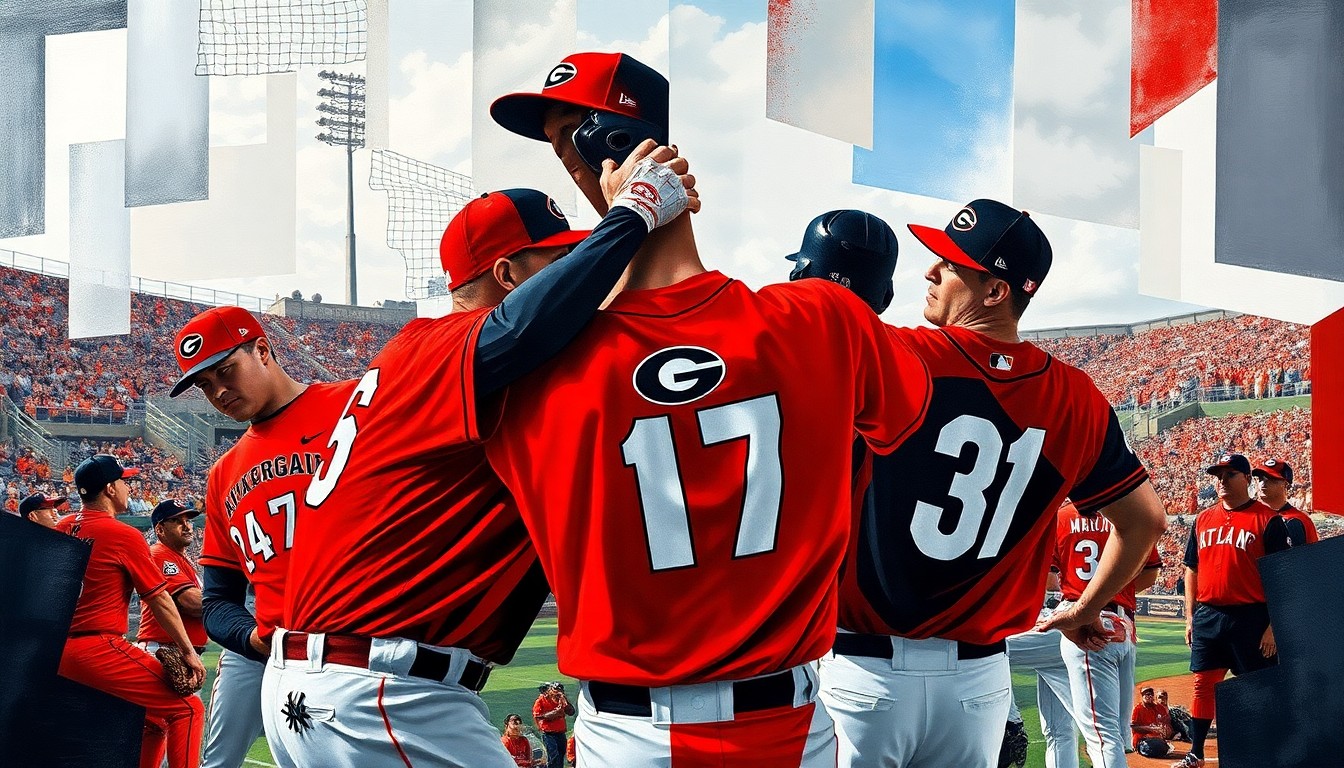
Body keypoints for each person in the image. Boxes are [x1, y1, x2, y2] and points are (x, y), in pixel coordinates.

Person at [488, 52, 930, 767]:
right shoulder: (825, 318)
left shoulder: (526, 360)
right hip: (784, 723)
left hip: (633, 731)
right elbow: (901, 427)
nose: (570, 161)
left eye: (575, 137)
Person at [266, 149, 697, 768]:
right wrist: (631, 214)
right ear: (508, 276)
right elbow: (526, 328)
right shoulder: (436, 343)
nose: (576, 267)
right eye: (559, 258)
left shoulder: (428, 361)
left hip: (349, 678)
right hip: (381, 687)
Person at [814, 198, 1167, 768]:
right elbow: (1146, 520)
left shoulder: (893, 353)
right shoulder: (1077, 397)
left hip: (865, 671)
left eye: (950, 264)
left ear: (996, 291)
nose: (930, 271)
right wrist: (1084, 609)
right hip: (978, 685)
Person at [171, 304, 356, 768]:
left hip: (372, 655)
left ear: (263, 349)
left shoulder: (355, 404)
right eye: (205, 385)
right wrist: (254, 640)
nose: (218, 392)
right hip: (282, 666)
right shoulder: (222, 475)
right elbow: (217, 603)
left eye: (225, 371)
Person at [56, 454, 206, 768]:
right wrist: (188, 651)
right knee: (188, 708)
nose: (128, 486)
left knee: (152, 718)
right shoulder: (125, 535)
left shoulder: (61, 526)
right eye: (124, 481)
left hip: (56, 651)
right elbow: (160, 600)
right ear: (110, 488)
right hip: (98, 647)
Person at [1176, 452, 1291, 768]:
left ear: (1247, 480)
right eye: (1218, 476)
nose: (1222, 481)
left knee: (1260, 686)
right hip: (1209, 615)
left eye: (1229, 475)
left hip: (1252, 617)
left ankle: (1268, 750)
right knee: (1203, 684)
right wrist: (1190, 617)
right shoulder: (1203, 519)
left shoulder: (1268, 520)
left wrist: (1272, 625)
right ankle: (1195, 752)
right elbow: (1191, 568)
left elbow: (1281, 575)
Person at [1052, 500, 1162, 767]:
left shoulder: (1060, 516)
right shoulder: (1127, 512)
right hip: (1123, 625)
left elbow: (1047, 577)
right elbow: (1151, 573)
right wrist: (1118, 589)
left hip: (1087, 624)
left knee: (1101, 737)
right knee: (1116, 734)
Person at [138, 500, 207, 656]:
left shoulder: (182, 558)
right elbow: (191, 602)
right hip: (164, 650)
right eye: (177, 521)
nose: (187, 526)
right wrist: (226, 602)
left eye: (188, 521)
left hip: (180, 651)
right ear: (160, 529)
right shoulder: (159, 553)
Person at [1252, 458, 1318, 545]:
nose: (1263, 484)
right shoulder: (1249, 516)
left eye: (1271, 479)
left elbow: (1312, 555)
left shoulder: (1300, 520)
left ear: (1285, 484)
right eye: (1260, 479)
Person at [532, 682, 574, 768]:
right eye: (555, 690)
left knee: (561, 753)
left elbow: (571, 712)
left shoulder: (561, 699)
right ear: (550, 690)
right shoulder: (541, 700)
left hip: (560, 732)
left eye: (560, 690)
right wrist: (555, 713)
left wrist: (565, 702)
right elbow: (538, 716)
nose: (558, 693)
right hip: (548, 733)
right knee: (553, 755)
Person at [1131, 687, 1171, 757]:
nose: (1150, 697)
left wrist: (1166, 729)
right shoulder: (1138, 709)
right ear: (1142, 696)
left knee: (1160, 747)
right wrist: (1149, 728)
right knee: (1153, 747)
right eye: (1147, 695)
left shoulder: (1159, 708)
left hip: (1156, 738)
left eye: (1151, 695)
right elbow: (1134, 726)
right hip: (1142, 739)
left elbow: (1166, 722)